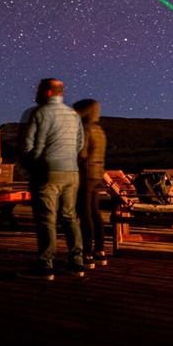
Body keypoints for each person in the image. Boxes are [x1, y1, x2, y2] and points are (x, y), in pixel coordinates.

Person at [18, 78, 86, 280]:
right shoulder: (73, 115)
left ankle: (45, 265)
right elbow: (79, 144)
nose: (35, 94)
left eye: (38, 90)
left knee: (46, 218)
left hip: (47, 171)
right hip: (71, 172)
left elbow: (27, 145)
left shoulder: (38, 113)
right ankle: (77, 262)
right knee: (70, 217)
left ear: (47, 92)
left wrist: (32, 164)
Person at [73, 98, 108, 268]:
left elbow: (82, 154)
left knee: (84, 213)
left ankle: (86, 253)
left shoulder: (85, 130)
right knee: (95, 213)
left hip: (85, 174)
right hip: (97, 175)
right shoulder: (99, 130)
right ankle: (100, 251)